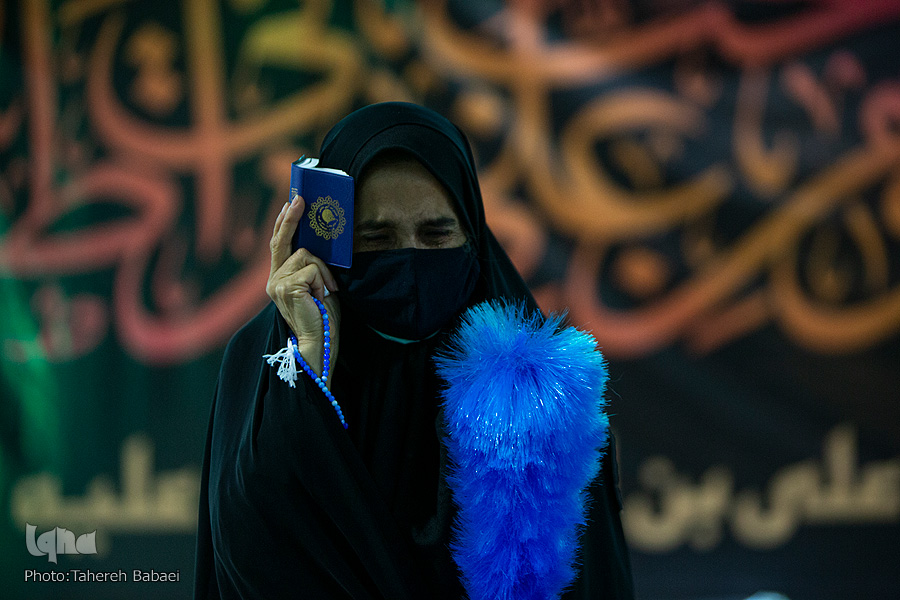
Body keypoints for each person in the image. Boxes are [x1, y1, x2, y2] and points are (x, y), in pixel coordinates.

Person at [194, 102, 634, 599]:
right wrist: (310, 366)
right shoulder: (260, 364)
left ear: (472, 232)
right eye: (376, 238)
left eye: (436, 234)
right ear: (330, 245)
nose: (410, 259)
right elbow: (254, 555)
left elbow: (586, 583)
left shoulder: (538, 395)